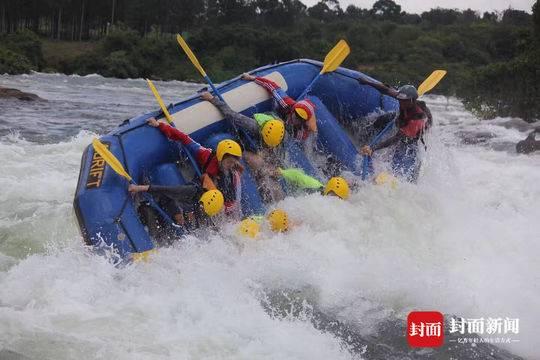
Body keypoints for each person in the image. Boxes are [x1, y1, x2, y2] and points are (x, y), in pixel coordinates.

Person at [148, 118, 244, 219]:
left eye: (233, 163)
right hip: (201, 188)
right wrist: (159, 125)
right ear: (220, 158)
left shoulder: (233, 170)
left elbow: (235, 195)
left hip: (218, 193)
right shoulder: (205, 155)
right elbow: (184, 138)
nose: (231, 165)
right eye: (229, 162)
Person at [200, 91, 286, 203]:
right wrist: (212, 99)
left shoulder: (279, 136)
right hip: (245, 152)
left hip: (260, 157)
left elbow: (276, 156)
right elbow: (231, 114)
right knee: (259, 163)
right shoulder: (253, 126)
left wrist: (275, 170)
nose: (268, 146)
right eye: (266, 143)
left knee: (274, 185)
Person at [358, 79, 433, 182]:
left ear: (412, 101)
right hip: (402, 119)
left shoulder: (418, 118)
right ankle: (363, 137)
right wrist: (367, 82)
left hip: (411, 138)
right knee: (382, 119)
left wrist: (373, 148)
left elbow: (397, 138)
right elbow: (386, 89)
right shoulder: (404, 99)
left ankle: (410, 181)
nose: (400, 102)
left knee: (403, 164)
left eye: (404, 101)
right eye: (399, 100)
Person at [129, 184, 224, 242]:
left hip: (167, 227)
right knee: (154, 234)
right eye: (200, 209)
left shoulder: (206, 218)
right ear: (201, 201)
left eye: (203, 215)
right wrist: (139, 188)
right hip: (155, 209)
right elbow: (166, 192)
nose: (200, 214)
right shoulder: (191, 191)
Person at [242, 73, 317, 143]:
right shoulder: (287, 103)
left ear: (304, 121)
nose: (296, 118)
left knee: (284, 136)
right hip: (278, 117)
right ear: (293, 110)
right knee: (273, 118)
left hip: (288, 131)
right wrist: (253, 78)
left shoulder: (304, 129)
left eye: (300, 118)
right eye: (296, 114)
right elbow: (272, 87)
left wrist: (284, 128)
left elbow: (297, 139)